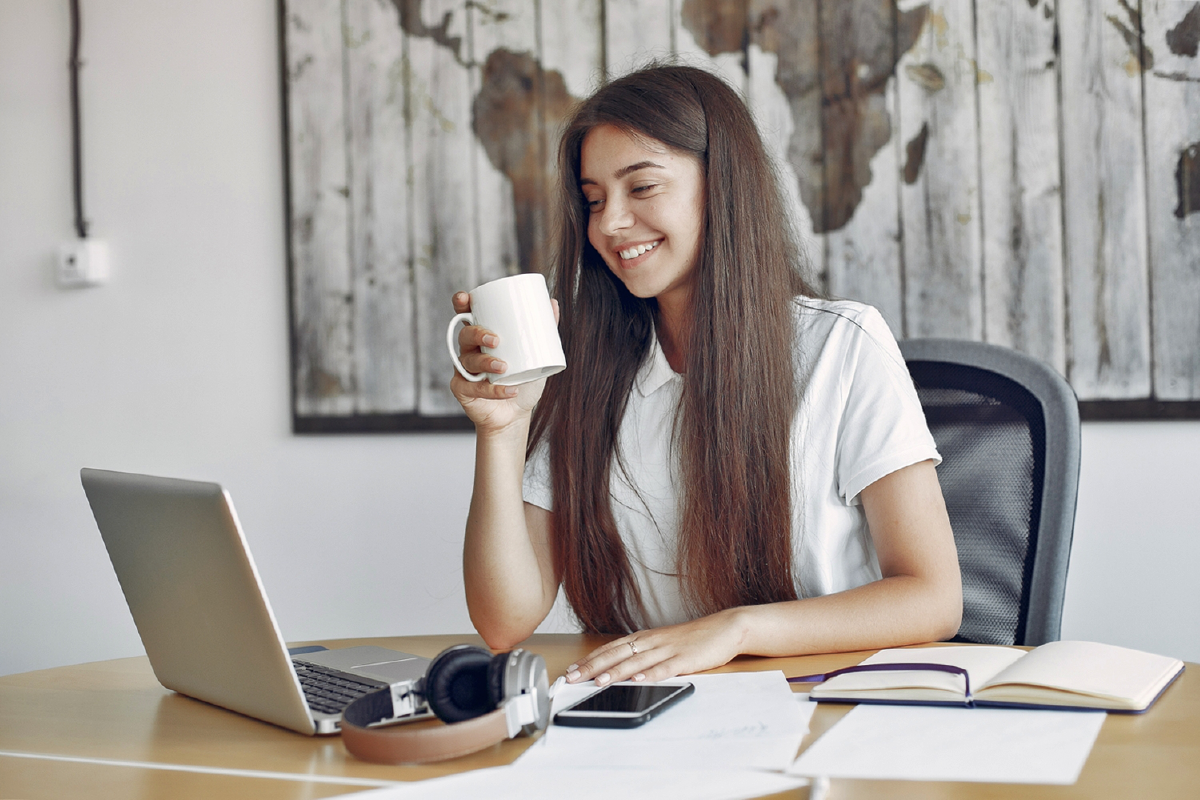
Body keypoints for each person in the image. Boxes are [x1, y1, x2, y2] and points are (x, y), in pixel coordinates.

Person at [449, 64, 961, 688]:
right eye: (593, 199)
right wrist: (503, 428)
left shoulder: (841, 347)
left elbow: (934, 598)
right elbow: (504, 622)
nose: (609, 224)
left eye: (641, 188)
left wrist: (737, 630)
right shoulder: (588, 372)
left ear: (721, 186)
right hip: (652, 720)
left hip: (823, 707)